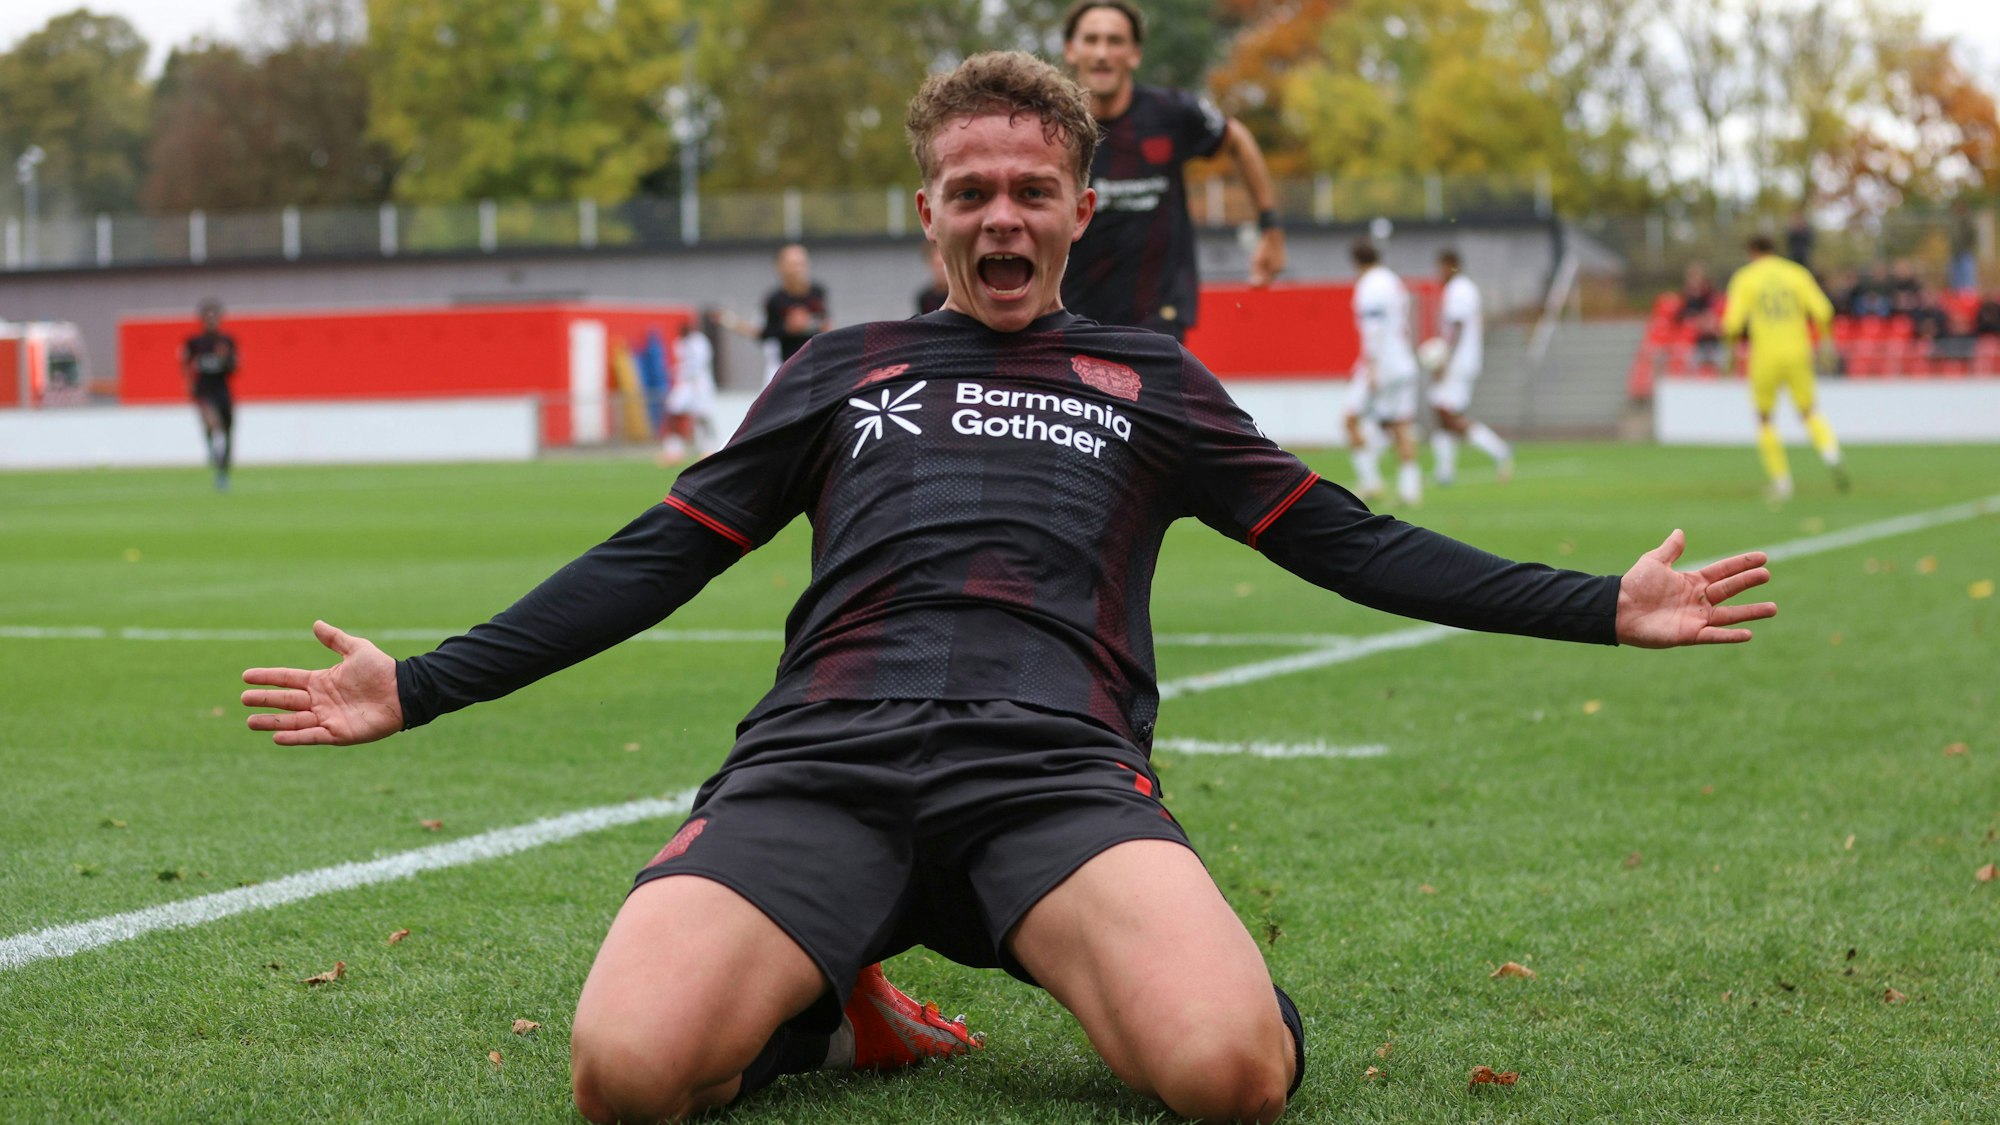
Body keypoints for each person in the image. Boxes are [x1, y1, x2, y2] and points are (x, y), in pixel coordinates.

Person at [242, 52, 1778, 1124]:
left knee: (1232, 1077)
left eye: (1031, 189)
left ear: (1078, 208)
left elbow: (1353, 542)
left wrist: (1600, 603)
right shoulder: (840, 369)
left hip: (1053, 776)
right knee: (622, 1078)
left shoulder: (1150, 379)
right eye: (968, 189)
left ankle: (1069, 960)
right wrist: (425, 681)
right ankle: (821, 999)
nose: (999, 215)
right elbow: (659, 554)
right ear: (926, 213)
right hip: (820, 770)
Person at [1059, 0, 1285, 339]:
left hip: (1157, 317)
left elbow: (1238, 139)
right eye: (1091, 40)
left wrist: (1270, 228)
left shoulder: (1172, 112)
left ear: (1134, 54)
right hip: (1069, 315)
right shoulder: (1053, 124)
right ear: (1071, 51)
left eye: (1115, 41)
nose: (1102, 52)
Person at [1723, 234, 1848, 501]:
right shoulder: (1796, 273)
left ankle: (1782, 481)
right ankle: (1830, 451)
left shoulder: (1746, 277)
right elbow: (1824, 311)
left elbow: (1732, 324)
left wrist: (1731, 352)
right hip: (1798, 352)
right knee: (1808, 410)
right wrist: (1826, 343)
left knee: (1765, 418)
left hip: (1765, 356)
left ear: (1752, 252)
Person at [1344, 239, 1423, 507]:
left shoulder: (1369, 286)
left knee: (1351, 419)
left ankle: (1370, 481)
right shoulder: (1392, 281)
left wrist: (1372, 366)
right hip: (1403, 361)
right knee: (1400, 425)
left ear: (1356, 262)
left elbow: (1373, 328)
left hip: (1382, 364)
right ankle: (1410, 489)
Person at [1426, 250, 1512, 486]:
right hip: (1463, 361)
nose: (1438, 274)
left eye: (1441, 267)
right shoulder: (1464, 289)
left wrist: (1445, 360)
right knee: (1441, 414)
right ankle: (1445, 472)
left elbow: (1458, 327)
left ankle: (1499, 449)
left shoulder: (1459, 289)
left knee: (1447, 414)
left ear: (1451, 265)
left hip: (1458, 363)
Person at [723, 243, 831, 385]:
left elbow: (825, 323)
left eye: (801, 263)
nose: (798, 269)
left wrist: (816, 326)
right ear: (781, 267)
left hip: (815, 363)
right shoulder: (774, 300)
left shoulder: (817, 293)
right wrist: (788, 328)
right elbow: (764, 333)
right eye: (793, 264)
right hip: (784, 366)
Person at [179, 299, 238, 491]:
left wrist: (225, 359)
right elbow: (185, 363)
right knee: (213, 424)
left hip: (223, 391)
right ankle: (212, 448)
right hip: (204, 391)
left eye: (215, 317)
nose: (212, 321)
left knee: (228, 432)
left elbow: (235, 368)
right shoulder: (195, 342)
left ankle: (223, 473)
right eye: (208, 317)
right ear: (202, 319)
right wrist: (188, 384)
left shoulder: (227, 342)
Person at [659, 314, 719, 466]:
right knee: (673, 411)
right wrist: (675, 371)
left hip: (700, 384)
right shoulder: (679, 343)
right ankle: (674, 450)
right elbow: (682, 364)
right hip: (685, 385)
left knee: (703, 417)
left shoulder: (700, 342)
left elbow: (699, 364)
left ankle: (709, 450)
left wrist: (681, 370)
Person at [1676, 262, 1723, 369]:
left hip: (1712, 340)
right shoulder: (1686, 300)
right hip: (1694, 342)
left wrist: (1706, 320)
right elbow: (1680, 317)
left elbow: (1713, 314)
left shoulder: (1710, 297)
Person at [915, 241, 951, 315]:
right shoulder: (925, 298)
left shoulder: (962, 296)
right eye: (939, 265)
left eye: (945, 264)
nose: (942, 270)